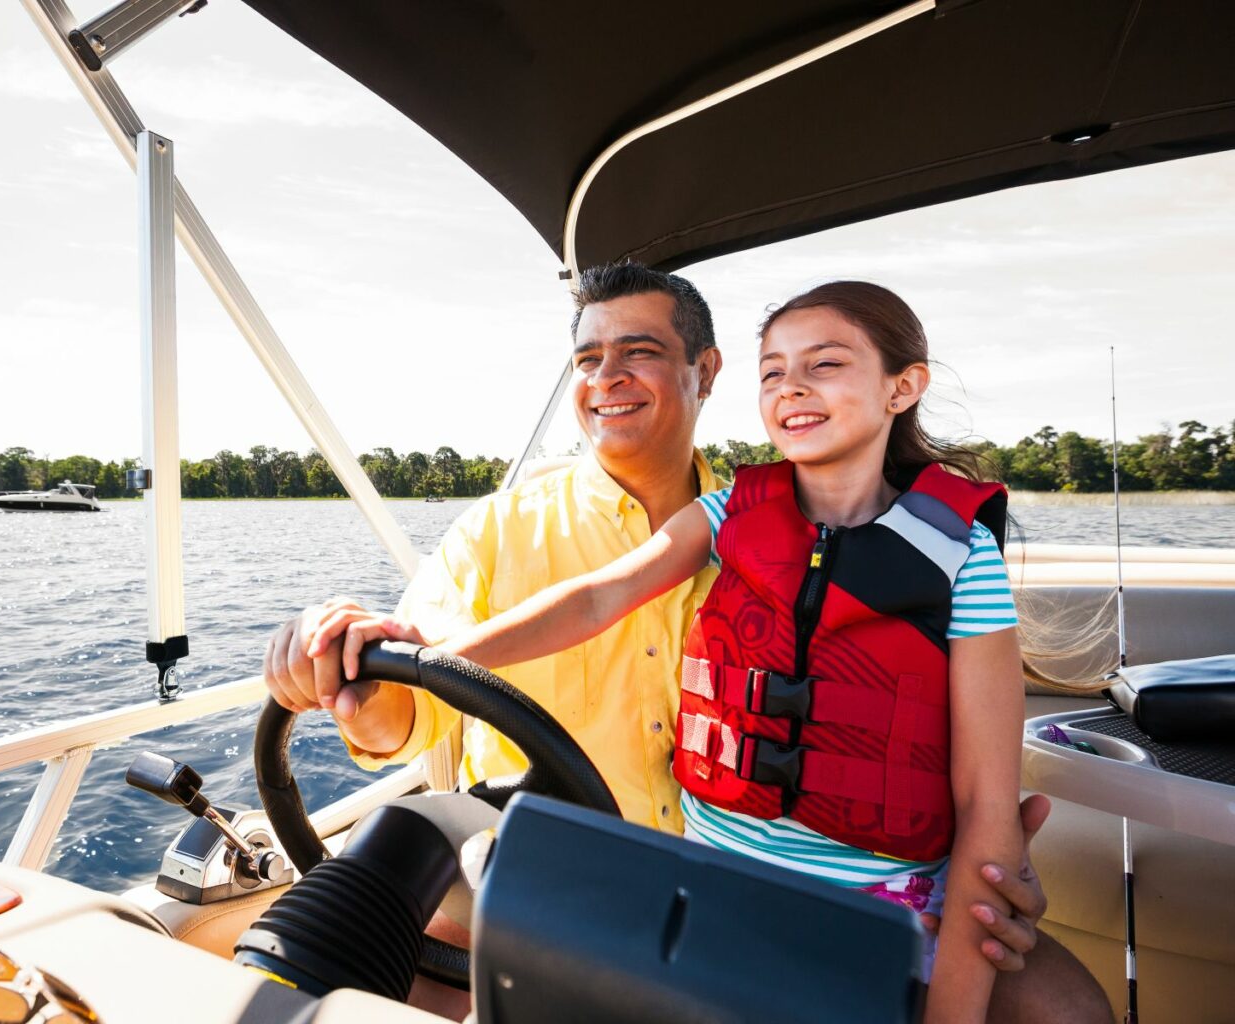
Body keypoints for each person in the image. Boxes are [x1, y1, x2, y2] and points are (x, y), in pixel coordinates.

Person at [265, 265, 1110, 1021]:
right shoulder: (523, 532)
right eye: (589, 360)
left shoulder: (947, 555)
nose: (609, 379)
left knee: (1067, 1007)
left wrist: (990, 863)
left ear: (704, 373)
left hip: (852, 883)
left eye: (638, 351)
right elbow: (406, 711)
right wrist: (370, 662)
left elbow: (985, 799)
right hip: (580, 884)